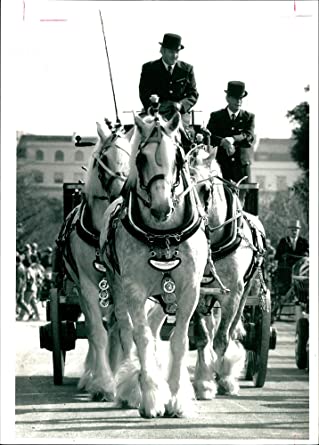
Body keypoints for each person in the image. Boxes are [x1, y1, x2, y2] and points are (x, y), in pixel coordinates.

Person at [139, 33, 199, 151]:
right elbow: (144, 93)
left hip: (179, 115)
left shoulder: (187, 70)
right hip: (156, 114)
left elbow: (193, 94)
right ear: (162, 51)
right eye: (171, 52)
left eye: (177, 52)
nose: (175, 55)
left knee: (187, 141)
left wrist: (181, 105)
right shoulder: (149, 68)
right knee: (141, 139)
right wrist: (154, 107)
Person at [206, 81, 255, 185]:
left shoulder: (248, 117)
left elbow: (249, 137)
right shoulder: (216, 116)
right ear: (227, 98)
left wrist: (233, 139)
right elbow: (209, 136)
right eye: (235, 98)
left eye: (241, 98)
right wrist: (222, 141)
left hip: (241, 167)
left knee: (245, 197)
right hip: (222, 166)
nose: (238, 101)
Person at [273, 219, 309, 320]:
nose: (294, 232)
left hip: (299, 271)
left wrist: (292, 257)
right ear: (289, 230)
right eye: (292, 230)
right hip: (285, 272)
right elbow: (277, 257)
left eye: (296, 230)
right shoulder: (283, 242)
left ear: (299, 231)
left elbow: (306, 255)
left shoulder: (304, 242)